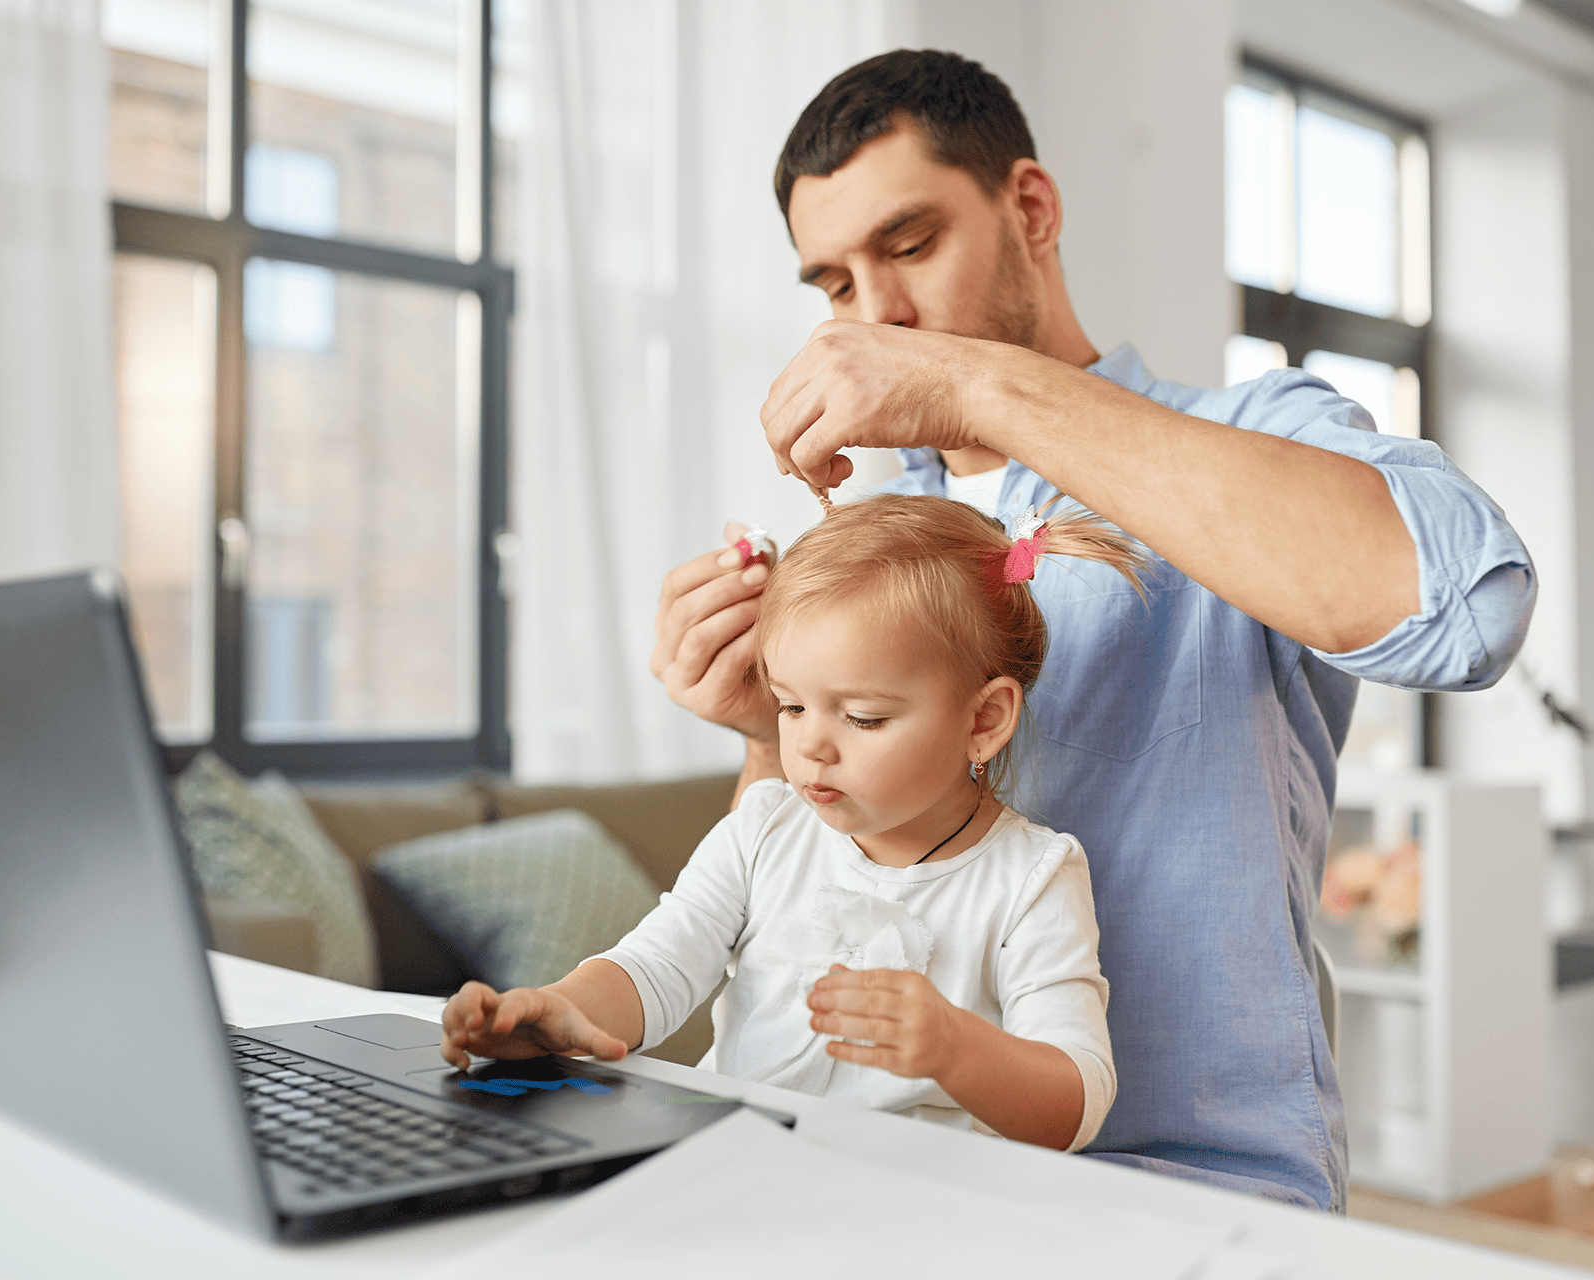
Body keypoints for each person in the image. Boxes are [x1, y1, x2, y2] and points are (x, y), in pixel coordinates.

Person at [650, 51, 1536, 1210]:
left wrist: (980, 388)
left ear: (1031, 210)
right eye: (835, 285)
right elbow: (791, 901)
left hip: (1183, 1185)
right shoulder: (875, 531)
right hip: (882, 1177)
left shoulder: (1247, 434)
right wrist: (770, 734)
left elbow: (1469, 608)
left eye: (910, 247)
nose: (880, 317)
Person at [444, 494, 1143, 1151]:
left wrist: (957, 1047)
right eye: (790, 706)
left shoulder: (1032, 876)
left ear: (984, 720)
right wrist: (561, 1012)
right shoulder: (764, 831)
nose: (809, 745)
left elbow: (1075, 1103)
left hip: (920, 1211)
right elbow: (654, 968)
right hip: (742, 1174)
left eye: (863, 716)